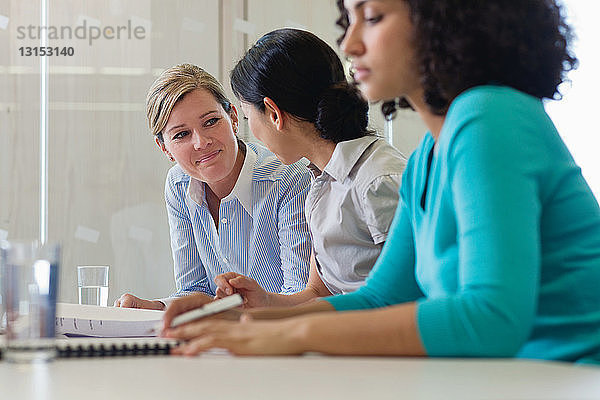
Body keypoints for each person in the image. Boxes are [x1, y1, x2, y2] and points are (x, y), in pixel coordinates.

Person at [162, 0, 600, 363]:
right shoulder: (431, 152)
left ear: (440, 20)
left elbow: (491, 319)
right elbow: (380, 298)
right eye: (348, 20)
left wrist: (298, 335)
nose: (350, 43)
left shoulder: (490, 116)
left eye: (371, 18)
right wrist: (235, 319)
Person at [163, 28, 406, 315]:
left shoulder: (378, 181)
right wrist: (264, 302)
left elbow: (406, 303)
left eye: (246, 115)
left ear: (273, 114)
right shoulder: (322, 181)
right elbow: (317, 293)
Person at [114, 64, 311, 310]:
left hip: (284, 337)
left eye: (210, 121)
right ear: (164, 148)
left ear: (233, 118)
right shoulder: (179, 185)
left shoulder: (289, 179)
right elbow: (195, 290)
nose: (201, 142)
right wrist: (155, 308)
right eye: (181, 135)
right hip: (225, 337)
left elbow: (302, 295)